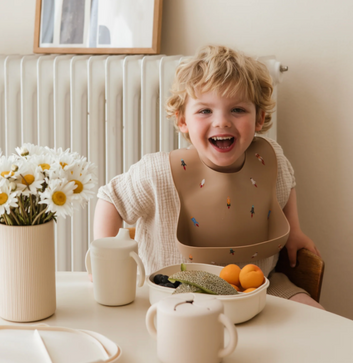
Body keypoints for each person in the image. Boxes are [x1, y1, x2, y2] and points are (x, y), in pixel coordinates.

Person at [94, 45, 323, 309]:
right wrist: (107, 264)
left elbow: (286, 184)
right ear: (182, 120)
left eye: (237, 110)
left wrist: (294, 230)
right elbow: (111, 199)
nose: (222, 121)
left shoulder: (271, 158)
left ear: (259, 118)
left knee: (319, 319)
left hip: (261, 289)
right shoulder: (157, 172)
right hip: (176, 297)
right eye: (205, 111)